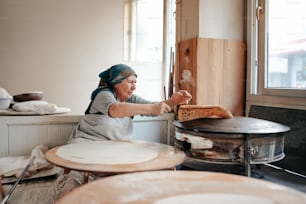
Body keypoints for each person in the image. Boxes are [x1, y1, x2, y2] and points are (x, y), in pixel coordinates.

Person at [68, 64, 192, 144]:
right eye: (130, 82)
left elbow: (153, 108)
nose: (134, 87)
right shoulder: (103, 94)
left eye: (135, 82)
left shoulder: (130, 99)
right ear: (116, 83)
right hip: (86, 146)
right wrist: (152, 108)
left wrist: (173, 101)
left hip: (110, 150)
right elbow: (115, 110)